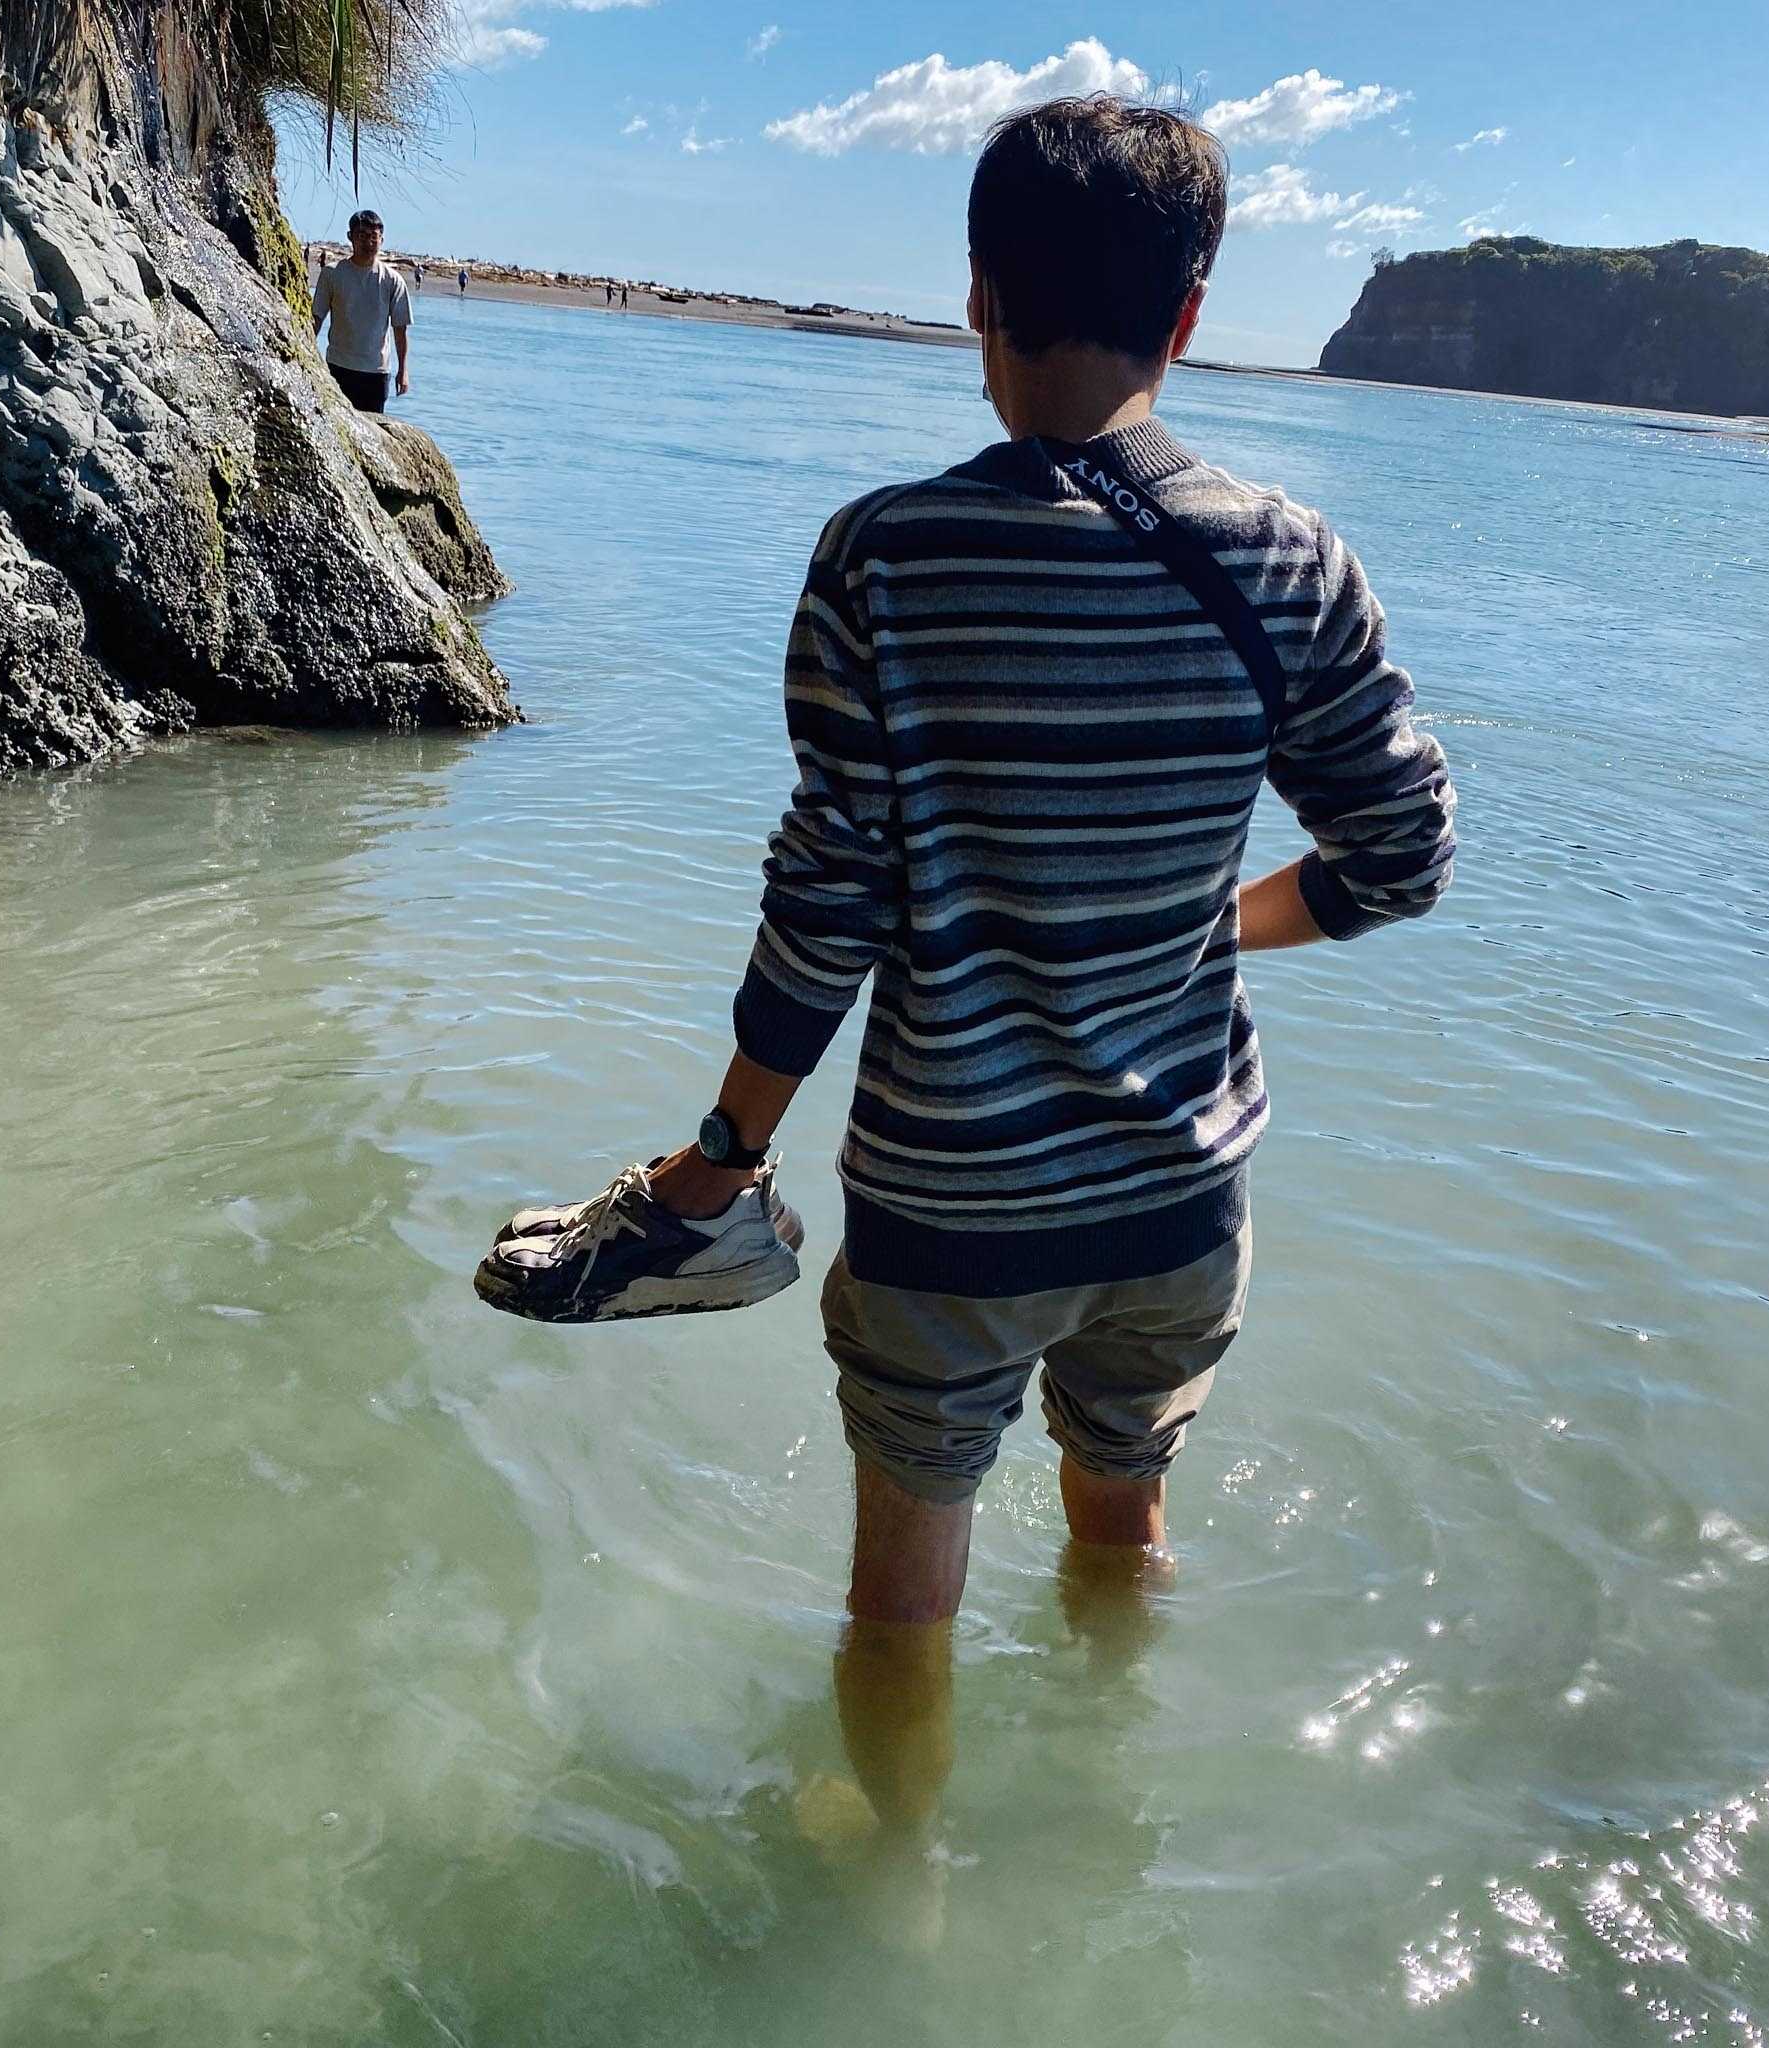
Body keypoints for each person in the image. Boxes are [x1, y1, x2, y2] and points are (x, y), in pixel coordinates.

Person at [479, 96, 1456, 1859]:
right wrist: (1198, 926)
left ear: (977, 299)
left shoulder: (887, 555)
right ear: (1188, 309)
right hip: (1178, 1197)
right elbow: (1401, 854)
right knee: (1120, 1533)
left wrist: (719, 1154)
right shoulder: (1291, 561)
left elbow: (826, 908)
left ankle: (897, 1903)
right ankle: (1098, 1817)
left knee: (901, 1613)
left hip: (958, 1204)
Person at [311, 208, 411, 414]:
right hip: (338, 366)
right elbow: (316, 317)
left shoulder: (392, 280)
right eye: (362, 236)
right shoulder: (333, 274)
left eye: (374, 237)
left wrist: (403, 370)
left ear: (382, 239)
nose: (368, 243)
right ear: (350, 237)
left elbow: (400, 330)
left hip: (375, 372)